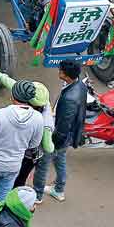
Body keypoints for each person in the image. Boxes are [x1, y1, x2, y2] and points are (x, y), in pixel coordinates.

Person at [0, 81, 44, 217]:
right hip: (13, 166)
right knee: (4, 199)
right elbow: (33, 145)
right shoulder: (38, 118)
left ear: (13, 97)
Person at [0, 67, 55, 188]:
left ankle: (16, 197)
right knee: (14, 177)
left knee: (19, 179)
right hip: (21, 153)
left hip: (28, 156)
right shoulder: (43, 102)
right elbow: (15, 85)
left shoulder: (44, 122)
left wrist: (53, 141)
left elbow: (48, 147)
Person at [33, 59, 87, 203]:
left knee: (43, 165)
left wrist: (52, 143)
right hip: (68, 136)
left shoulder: (70, 98)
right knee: (60, 160)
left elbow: (63, 126)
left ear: (67, 75)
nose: (59, 72)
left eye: (61, 71)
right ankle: (59, 189)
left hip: (59, 137)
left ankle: (37, 195)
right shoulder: (80, 85)